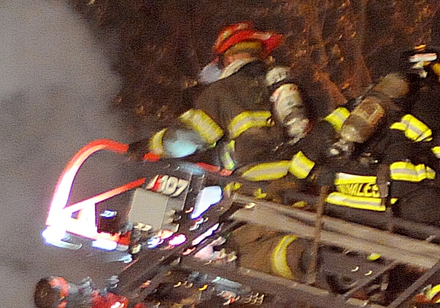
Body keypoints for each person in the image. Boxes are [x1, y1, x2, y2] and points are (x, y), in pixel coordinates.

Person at [131, 22, 316, 278]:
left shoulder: (224, 90)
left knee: (245, 252)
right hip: (303, 184)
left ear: (229, 57)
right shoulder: (289, 89)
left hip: (256, 187)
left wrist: (148, 146)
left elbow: (186, 139)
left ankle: (307, 260)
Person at [289, 42, 440, 234]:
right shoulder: (437, 108)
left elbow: (318, 138)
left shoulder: (361, 103)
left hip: (343, 203)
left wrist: (300, 180)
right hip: (404, 203)